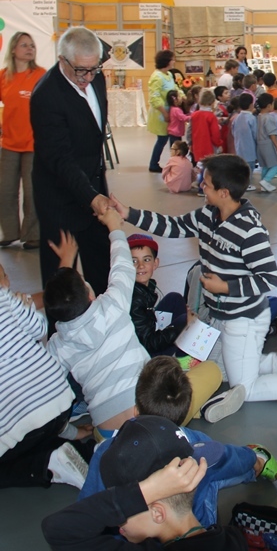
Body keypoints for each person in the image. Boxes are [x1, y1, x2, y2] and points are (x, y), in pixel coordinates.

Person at [111, 155, 277, 410]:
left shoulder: (250, 231)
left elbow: (267, 277)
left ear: (224, 192)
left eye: (206, 184)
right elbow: (173, 226)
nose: (200, 187)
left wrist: (225, 287)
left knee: (245, 388)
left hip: (245, 316)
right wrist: (129, 213)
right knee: (226, 372)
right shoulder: (208, 214)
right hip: (220, 313)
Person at [78, 359, 277, 525]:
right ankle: (257, 463)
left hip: (132, 532)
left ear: (136, 411)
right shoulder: (194, 442)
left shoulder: (105, 450)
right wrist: (250, 458)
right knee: (214, 472)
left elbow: (89, 504)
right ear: (184, 413)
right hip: (191, 523)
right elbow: (227, 457)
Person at [42, 415, 249, 549]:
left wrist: (144, 492)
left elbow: (58, 529)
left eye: (124, 514)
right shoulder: (234, 538)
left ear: (157, 512)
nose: (116, 522)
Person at [45, 210, 150, 439]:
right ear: (91, 295)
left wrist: (72, 433)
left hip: (106, 430)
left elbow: (45, 394)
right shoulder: (112, 305)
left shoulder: (57, 346)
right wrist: (114, 226)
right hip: (150, 408)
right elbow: (122, 264)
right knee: (205, 374)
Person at [31, 26, 111, 295]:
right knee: (61, 283)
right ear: (62, 60)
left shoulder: (96, 79)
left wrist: (98, 192)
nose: (87, 77)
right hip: (60, 201)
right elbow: (59, 159)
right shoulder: (46, 95)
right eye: (80, 70)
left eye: (94, 69)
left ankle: (105, 332)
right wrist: (91, 196)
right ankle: (59, 335)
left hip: (94, 193)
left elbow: (93, 139)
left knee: (102, 271)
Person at [0, 261, 90, 490]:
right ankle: (69, 449)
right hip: (60, 400)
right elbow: (39, 328)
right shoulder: (5, 297)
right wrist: (24, 304)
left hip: (28, 419)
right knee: (36, 427)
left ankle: (46, 465)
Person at [0, 31, 45, 250]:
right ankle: (9, 232)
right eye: (24, 45)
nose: (29, 49)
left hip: (33, 145)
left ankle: (33, 235)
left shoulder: (41, 75)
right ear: (13, 50)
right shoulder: (3, 76)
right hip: (8, 144)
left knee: (32, 191)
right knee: (5, 190)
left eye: (32, 45)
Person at [147, 50, 180, 173]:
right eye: (172, 59)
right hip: (161, 114)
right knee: (162, 139)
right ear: (166, 61)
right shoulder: (156, 77)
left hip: (171, 112)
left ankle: (176, 162)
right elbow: (154, 97)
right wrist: (164, 113)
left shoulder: (169, 75)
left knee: (173, 138)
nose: (174, 61)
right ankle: (153, 164)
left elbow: (175, 88)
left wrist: (181, 96)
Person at [255, 92, 277, 192]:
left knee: (265, 165)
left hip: (260, 144)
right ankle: (266, 181)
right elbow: (272, 133)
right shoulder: (268, 117)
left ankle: (264, 185)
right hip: (268, 144)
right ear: (268, 106)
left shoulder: (258, 116)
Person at [232, 93, 258, 190]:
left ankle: (240, 183)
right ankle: (247, 184)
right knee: (249, 167)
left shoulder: (236, 117)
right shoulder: (251, 118)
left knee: (241, 166)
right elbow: (255, 133)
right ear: (251, 105)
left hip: (238, 145)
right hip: (249, 146)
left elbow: (232, 130)